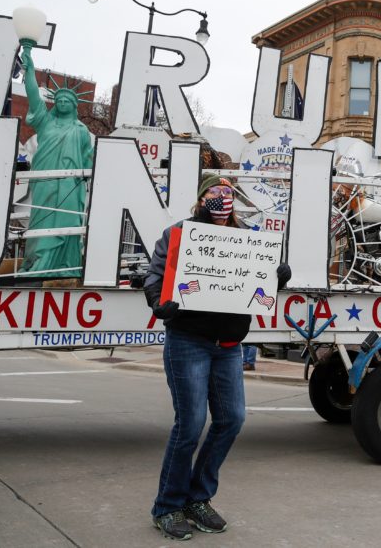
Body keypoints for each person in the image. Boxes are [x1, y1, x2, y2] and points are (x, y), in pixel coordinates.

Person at [143, 174, 291, 540]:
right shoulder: (180, 234)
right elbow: (155, 276)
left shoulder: (247, 239)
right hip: (188, 340)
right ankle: (168, 506)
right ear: (201, 198)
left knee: (231, 419)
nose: (223, 199)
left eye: (229, 193)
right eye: (215, 192)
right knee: (190, 424)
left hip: (228, 346)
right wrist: (159, 303)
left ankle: (198, 498)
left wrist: (278, 278)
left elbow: (256, 284)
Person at [18, 49, 93, 277]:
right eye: (58, 100)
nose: (61, 102)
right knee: (41, 219)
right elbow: (33, 95)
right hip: (45, 179)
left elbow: (88, 160)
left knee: (67, 221)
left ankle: (63, 265)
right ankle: (38, 261)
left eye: (66, 100)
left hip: (71, 184)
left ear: (74, 105)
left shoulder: (81, 130)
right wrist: (29, 69)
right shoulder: (45, 121)